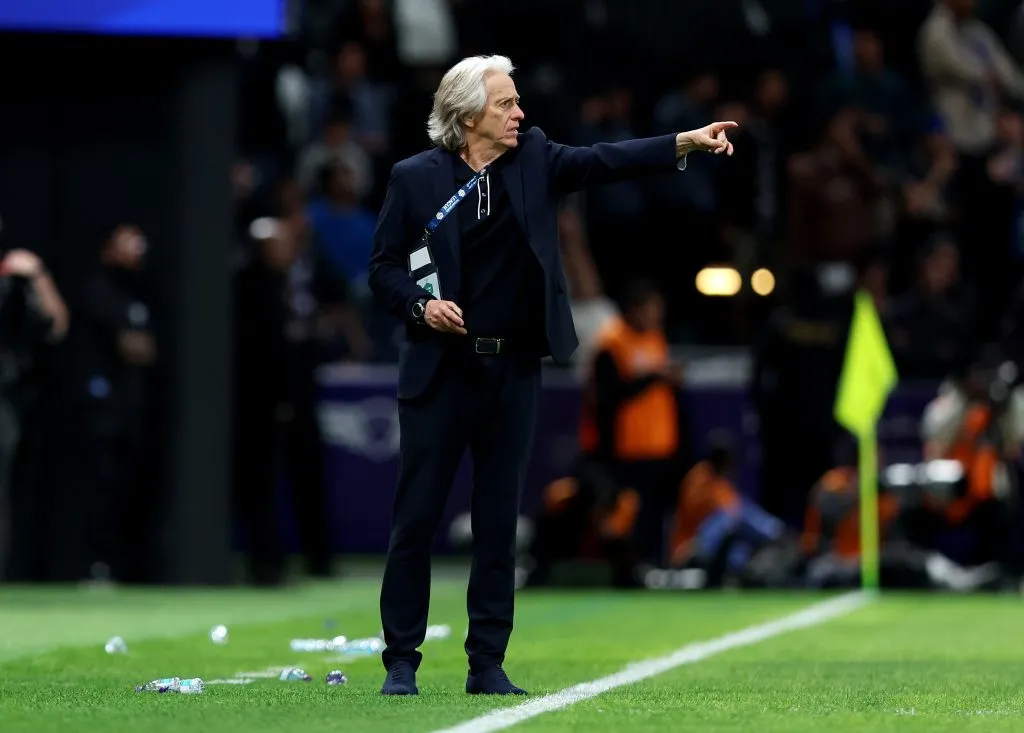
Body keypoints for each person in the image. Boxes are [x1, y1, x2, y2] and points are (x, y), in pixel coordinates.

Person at [368, 54, 737, 696]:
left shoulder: (534, 157)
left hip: (511, 368)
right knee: (417, 520)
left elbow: (602, 160)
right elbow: (383, 269)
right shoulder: (413, 178)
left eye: (516, 102)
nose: (520, 113)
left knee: (497, 526)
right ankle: (401, 661)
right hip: (439, 371)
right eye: (506, 104)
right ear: (466, 114)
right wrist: (421, 305)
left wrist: (681, 142)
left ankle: (486, 664)